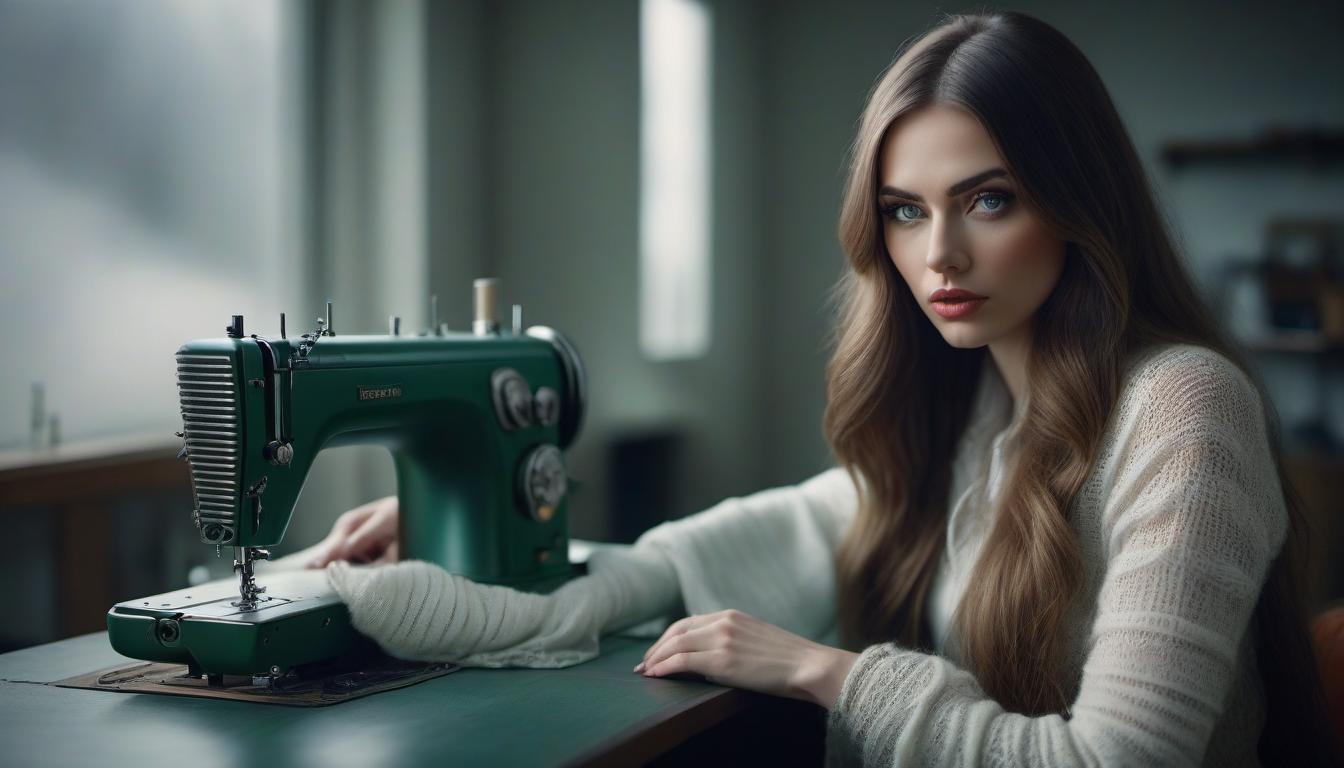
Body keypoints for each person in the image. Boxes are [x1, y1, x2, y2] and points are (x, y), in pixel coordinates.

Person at [289, 10, 1336, 767]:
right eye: (906, 211)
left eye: (990, 199)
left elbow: (1122, 762)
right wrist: (467, 539)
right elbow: (676, 562)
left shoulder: (1182, 407)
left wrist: (829, 673)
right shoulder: (978, 422)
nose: (943, 256)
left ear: (1077, 201)